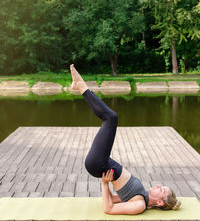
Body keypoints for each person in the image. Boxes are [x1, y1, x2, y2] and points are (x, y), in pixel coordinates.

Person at [70, 64, 181, 215]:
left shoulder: (140, 204)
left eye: (161, 190)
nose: (157, 186)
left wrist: (104, 184)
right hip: (103, 162)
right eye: (160, 186)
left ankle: (81, 86)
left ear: (160, 202)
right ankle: (80, 88)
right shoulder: (142, 195)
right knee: (110, 118)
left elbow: (108, 209)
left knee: (111, 118)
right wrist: (108, 186)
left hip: (99, 164)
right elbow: (112, 200)